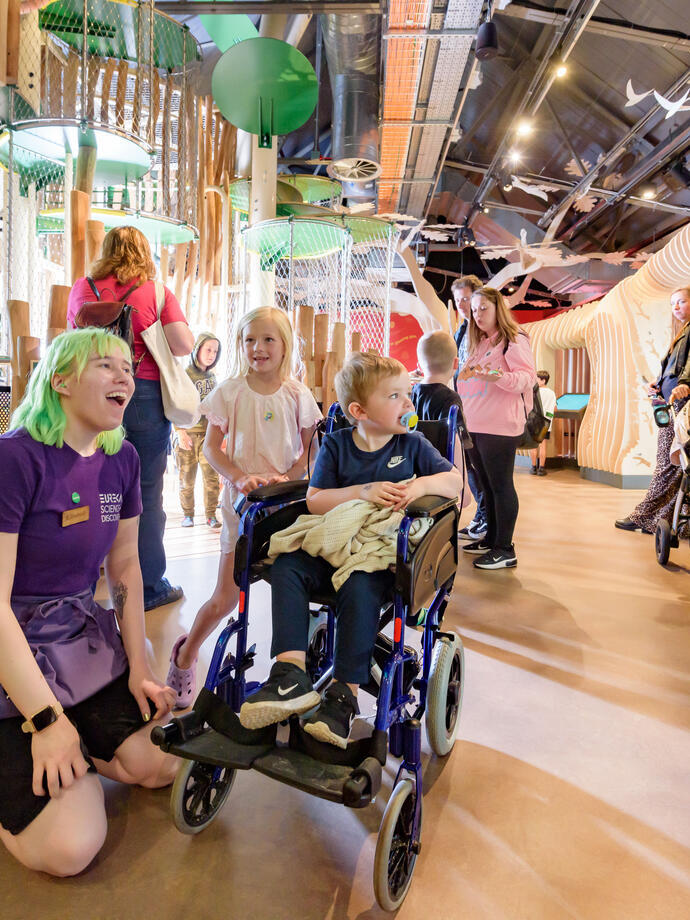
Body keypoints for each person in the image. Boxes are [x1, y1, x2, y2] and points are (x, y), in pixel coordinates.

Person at [0, 329, 178, 877]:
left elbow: (125, 566)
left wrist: (141, 670)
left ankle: (83, 736)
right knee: (71, 848)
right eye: (106, 365)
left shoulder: (120, 458)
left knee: (162, 764)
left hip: (74, 637)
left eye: (129, 366)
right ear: (61, 382)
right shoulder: (14, 458)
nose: (125, 375)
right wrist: (46, 720)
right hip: (12, 649)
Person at [238, 352, 463, 748]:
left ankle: (344, 695)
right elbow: (315, 500)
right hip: (331, 545)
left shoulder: (413, 445)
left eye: (407, 395)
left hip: (374, 557)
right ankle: (289, 674)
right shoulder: (338, 445)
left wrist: (418, 488)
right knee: (287, 564)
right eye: (396, 396)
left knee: (359, 587)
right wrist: (362, 492)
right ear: (359, 410)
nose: (409, 404)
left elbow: (454, 481)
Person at [165, 307, 322, 709]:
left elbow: (308, 453)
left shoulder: (298, 394)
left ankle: (292, 673)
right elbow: (212, 449)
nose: (258, 348)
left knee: (294, 586)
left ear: (285, 344)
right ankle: (185, 656)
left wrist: (286, 478)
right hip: (242, 508)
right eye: (250, 339)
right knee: (224, 597)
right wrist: (239, 477)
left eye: (268, 339)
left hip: (287, 508)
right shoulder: (229, 392)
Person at [68, 226, 195, 611]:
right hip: (141, 393)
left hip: (88, 397)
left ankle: (83, 585)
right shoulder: (154, 292)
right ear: (143, 251)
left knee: (87, 486)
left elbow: (70, 341)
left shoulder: (83, 288)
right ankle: (150, 585)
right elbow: (184, 345)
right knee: (146, 491)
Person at [457, 287, 537, 570]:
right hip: (476, 423)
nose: (477, 315)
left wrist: (491, 374)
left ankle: (505, 548)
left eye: (484, 309)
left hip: (500, 426)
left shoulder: (513, 339)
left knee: (501, 485)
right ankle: (491, 539)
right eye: (474, 309)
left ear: (498, 309)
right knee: (487, 486)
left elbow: (526, 378)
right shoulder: (480, 341)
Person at [616, 286, 690, 533]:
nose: (676, 307)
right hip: (672, 403)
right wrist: (657, 385)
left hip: (682, 405)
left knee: (668, 463)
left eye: (681, 302)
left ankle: (644, 516)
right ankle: (661, 520)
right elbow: (673, 368)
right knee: (676, 464)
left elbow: (687, 369)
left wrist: (684, 385)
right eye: (672, 304)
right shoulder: (682, 332)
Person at [411, 330, 471, 506]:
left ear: (420, 365)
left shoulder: (413, 392)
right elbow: (457, 440)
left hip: (416, 467)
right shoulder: (450, 398)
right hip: (443, 470)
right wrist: (464, 486)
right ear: (455, 363)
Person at [450, 275, 486, 540]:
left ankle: (486, 520)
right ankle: (481, 517)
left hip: (479, 408)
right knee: (471, 466)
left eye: (465, 299)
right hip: (463, 406)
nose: (462, 305)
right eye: (457, 300)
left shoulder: (485, 332)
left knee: (481, 467)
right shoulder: (461, 328)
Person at [175, 332, 222, 529]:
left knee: (210, 477)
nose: (211, 354)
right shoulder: (184, 374)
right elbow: (174, 403)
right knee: (187, 479)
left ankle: (211, 514)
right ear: (197, 350)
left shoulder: (212, 377)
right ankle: (188, 514)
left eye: (215, 351)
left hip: (207, 435)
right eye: (208, 349)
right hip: (187, 433)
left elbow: (216, 407)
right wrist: (180, 431)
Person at [530, 370, 557, 476]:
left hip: (534, 421)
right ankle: (541, 469)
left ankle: (533, 468)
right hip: (545, 422)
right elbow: (554, 409)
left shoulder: (534, 391)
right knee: (542, 445)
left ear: (543, 380)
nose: (535, 381)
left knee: (533, 445)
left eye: (537, 379)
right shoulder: (552, 393)